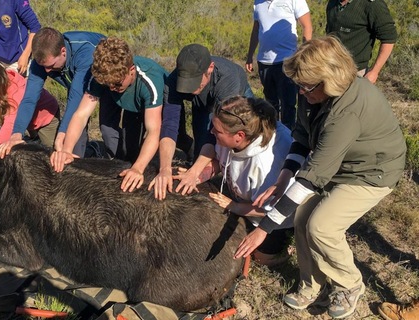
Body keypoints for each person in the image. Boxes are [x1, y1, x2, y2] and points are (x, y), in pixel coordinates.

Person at [234, 36, 406, 319]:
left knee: (322, 226)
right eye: (298, 85)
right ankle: (312, 283)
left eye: (306, 87)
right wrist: (283, 178)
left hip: (371, 171)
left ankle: (349, 283)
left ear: (331, 79)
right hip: (336, 163)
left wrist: (264, 227)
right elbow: (302, 135)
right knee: (302, 216)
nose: (300, 93)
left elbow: (312, 177)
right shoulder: (315, 92)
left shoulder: (346, 111)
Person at [173, 96, 294, 265]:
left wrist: (234, 206)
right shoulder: (232, 138)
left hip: (275, 215)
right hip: (243, 197)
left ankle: (289, 246)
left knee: (260, 259)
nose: (212, 133)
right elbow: (222, 161)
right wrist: (199, 175)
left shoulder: (265, 165)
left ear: (239, 136)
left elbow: (272, 208)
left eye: (217, 131)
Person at [50, 37, 165, 192]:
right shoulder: (108, 79)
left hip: (153, 103)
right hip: (128, 101)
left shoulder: (149, 81)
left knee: (144, 145)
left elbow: (154, 130)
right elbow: (81, 115)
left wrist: (138, 168)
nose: (112, 89)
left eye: (117, 84)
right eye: (107, 84)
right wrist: (67, 150)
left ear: (131, 71)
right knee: (118, 139)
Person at [149, 43, 253, 200]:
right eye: (186, 84)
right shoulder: (172, 82)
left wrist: (195, 171)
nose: (190, 88)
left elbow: (216, 132)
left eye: (195, 82)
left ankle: (242, 191)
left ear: (210, 68)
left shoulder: (227, 78)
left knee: (241, 144)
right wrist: (165, 169)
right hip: (201, 103)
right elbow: (170, 126)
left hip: (234, 98)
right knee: (200, 151)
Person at [0, 27, 105, 159]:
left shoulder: (85, 52)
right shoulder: (41, 63)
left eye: (51, 66)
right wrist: (16, 134)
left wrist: (62, 133)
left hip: (106, 79)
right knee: (72, 144)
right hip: (76, 83)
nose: (47, 71)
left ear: (63, 52)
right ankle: (88, 154)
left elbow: (75, 97)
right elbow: (29, 99)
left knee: (109, 132)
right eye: (43, 67)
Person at [245, 0, 312, 129]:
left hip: (287, 60)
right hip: (264, 61)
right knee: (270, 104)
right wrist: (250, 56)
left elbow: (307, 26)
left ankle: (288, 137)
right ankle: (273, 135)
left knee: (288, 104)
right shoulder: (258, 2)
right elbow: (256, 28)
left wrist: (305, 54)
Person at [326, 0, 397, 84]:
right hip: (329, 68)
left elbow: (389, 39)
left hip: (354, 73)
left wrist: (374, 72)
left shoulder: (373, 4)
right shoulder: (333, 3)